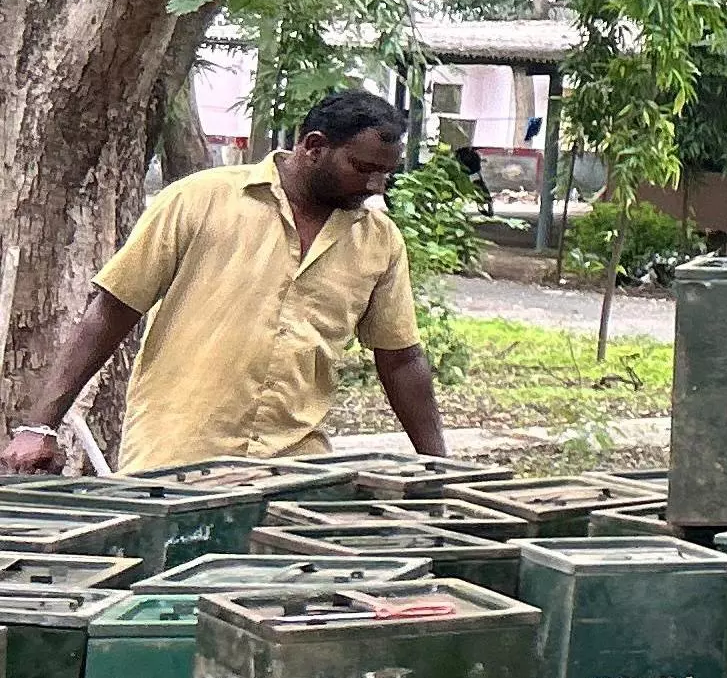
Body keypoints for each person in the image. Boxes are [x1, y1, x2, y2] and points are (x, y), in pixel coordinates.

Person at [2, 88, 449, 476]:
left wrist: (440, 471)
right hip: (177, 460)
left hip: (293, 468)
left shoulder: (378, 240)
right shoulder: (199, 200)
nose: (376, 185)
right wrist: (39, 426)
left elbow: (401, 360)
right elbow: (110, 313)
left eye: (386, 173)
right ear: (313, 146)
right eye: (362, 167)